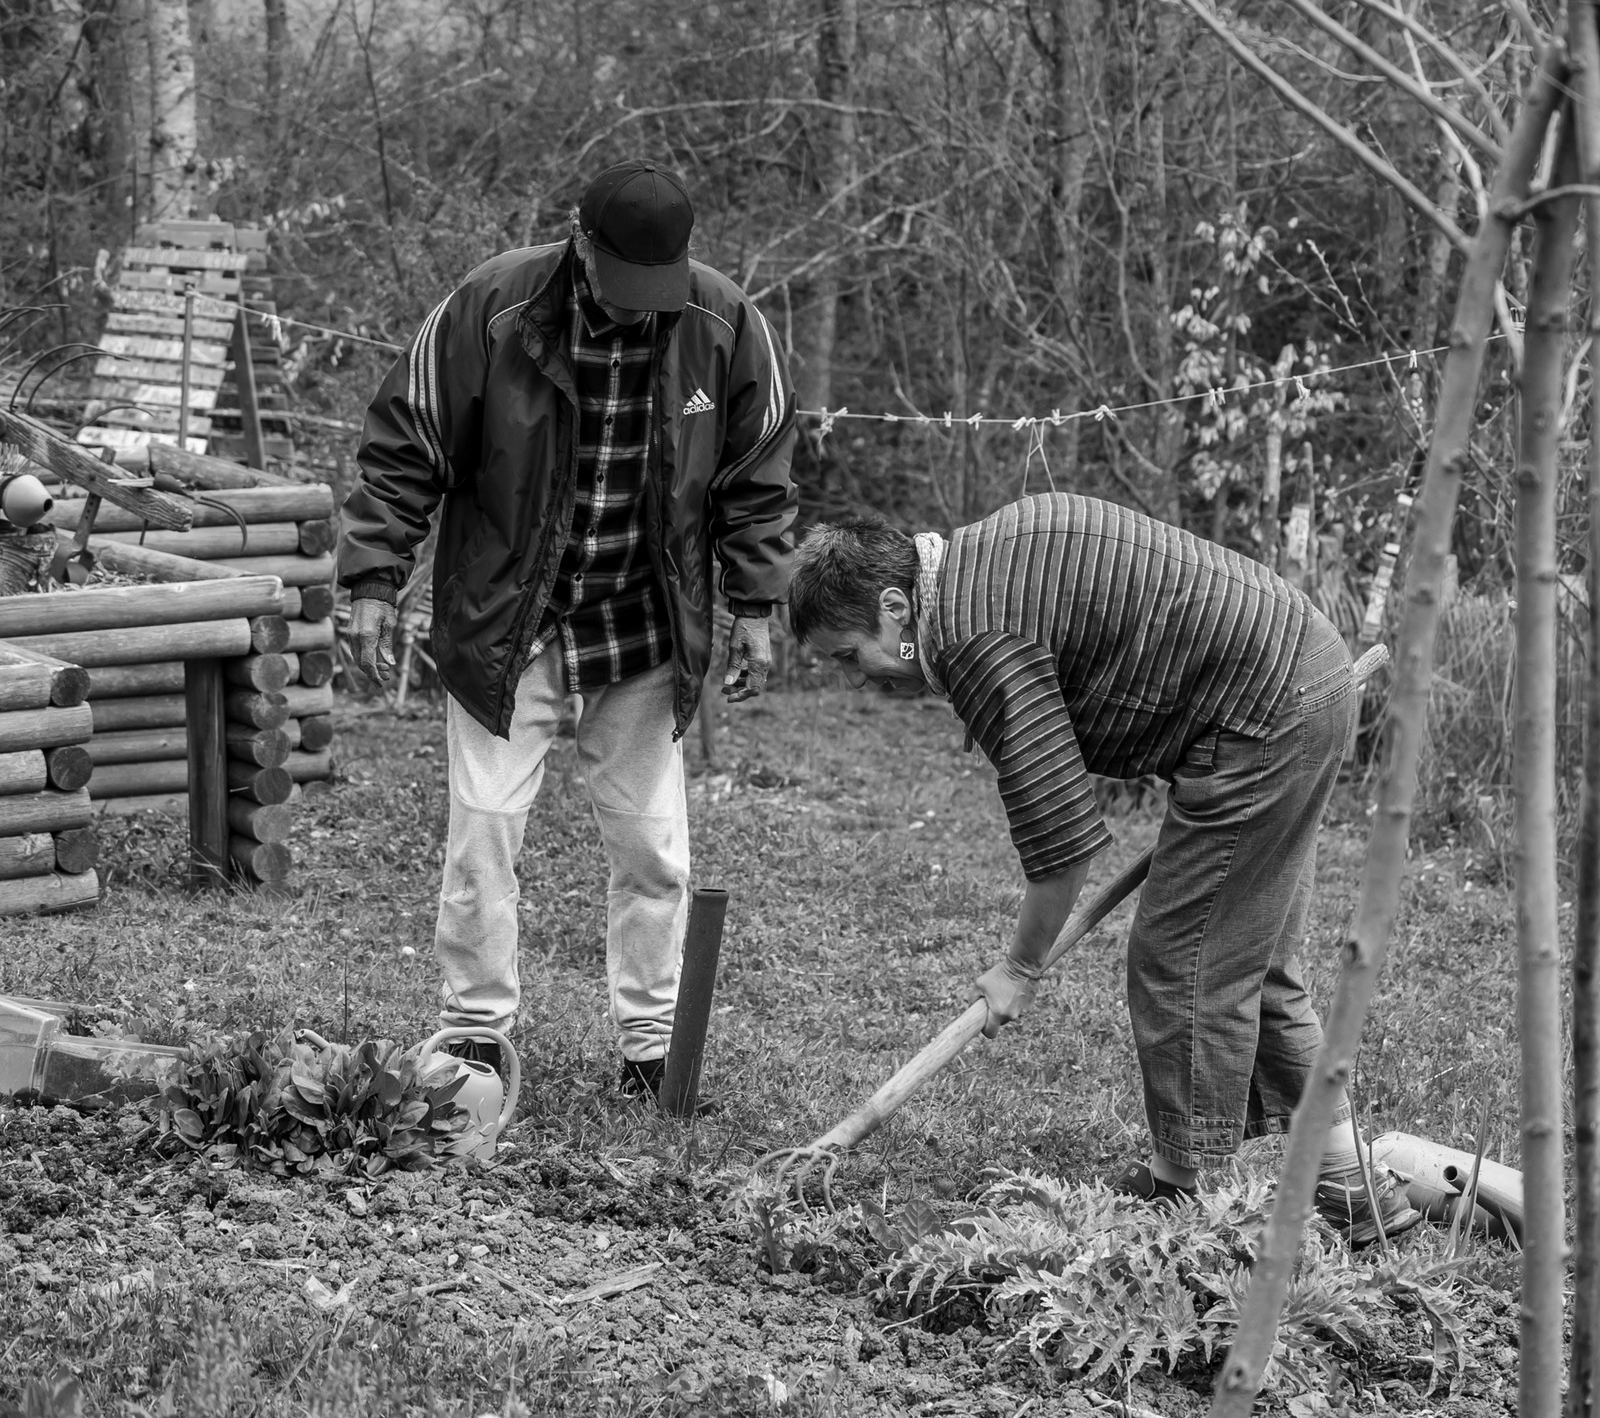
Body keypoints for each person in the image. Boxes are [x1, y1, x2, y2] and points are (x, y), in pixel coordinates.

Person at [786, 493, 1420, 1247]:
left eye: (848, 656)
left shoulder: (971, 632)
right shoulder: (977, 562)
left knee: (1183, 957)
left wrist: (1018, 967)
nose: (857, 680)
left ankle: (1176, 1195)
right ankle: (1350, 1186)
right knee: (1251, 956)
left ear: (895, 607)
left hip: (1266, 714)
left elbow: (1063, 837)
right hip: (1301, 674)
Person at [338, 160, 797, 1100]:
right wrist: (374, 581)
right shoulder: (491, 308)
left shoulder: (722, 324)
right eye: (624, 284)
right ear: (581, 242)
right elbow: (403, 446)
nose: (640, 309)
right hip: (512, 615)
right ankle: (473, 1036)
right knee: (484, 835)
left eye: (656, 288)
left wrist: (755, 602)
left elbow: (757, 471)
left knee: (653, 849)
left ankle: (650, 1043)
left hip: (643, 620)